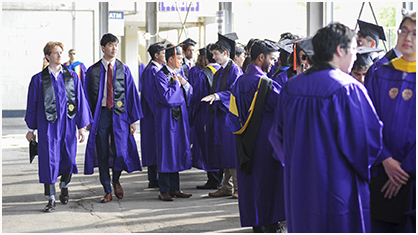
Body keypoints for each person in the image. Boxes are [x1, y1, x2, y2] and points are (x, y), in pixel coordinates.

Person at [269, 22, 383, 232]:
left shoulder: (292, 87)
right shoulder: (348, 88)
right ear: (340, 50)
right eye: (353, 50)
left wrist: (297, 164)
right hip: (338, 186)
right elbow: (366, 143)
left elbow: (276, 136)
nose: (356, 57)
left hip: (300, 185)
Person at [25, 41, 92, 212]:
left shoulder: (71, 76)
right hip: (47, 127)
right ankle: (51, 198)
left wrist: (82, 128)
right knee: (48, 160)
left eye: (61, 52)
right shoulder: (38, 79)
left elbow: (80, 102)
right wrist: (31, 129)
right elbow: (32, 105)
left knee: (69, 159)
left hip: (68, 125)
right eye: (56, 52)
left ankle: (64, 184)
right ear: (48, 56)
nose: (60, 55)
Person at [366, 11, 416, 233]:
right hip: (380, 170)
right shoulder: (380, 73)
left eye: (415, 33)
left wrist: (403, 169)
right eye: (404, 31)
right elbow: (367, 121)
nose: (408, 38)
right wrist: (385, 159)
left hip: (412, 175)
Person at [228, 40, 286, 232]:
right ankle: (270, 224)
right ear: (261, 57)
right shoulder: (266, 85)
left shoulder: (238, 83)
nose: (273, 63)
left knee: (250, 184)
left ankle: (256, 224)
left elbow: (232, 118)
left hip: (244, 144)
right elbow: (285, 110)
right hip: (265, 145)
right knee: (268, 184)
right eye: (272, 59)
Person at [84, 33, 143, 203]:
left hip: (120, 114)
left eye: (116, 45)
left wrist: (132, 120)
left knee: (120, 151)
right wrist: (88, 119)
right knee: (102, 152)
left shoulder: (123, 69)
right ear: (103, 48)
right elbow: (86, 95)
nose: (114, 48)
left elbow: (131, 95)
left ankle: (116, 179)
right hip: (101, 114)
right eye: (110, 45)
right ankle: (107, 189)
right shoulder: (93, 70)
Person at [201, 33, 243, 199]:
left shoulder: (235, 70)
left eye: (216, 54)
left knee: (231, 152)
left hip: (229, 117)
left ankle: (238, 188)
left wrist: (217, 96)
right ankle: (226, 186)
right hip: (219, 117)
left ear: (225, 53)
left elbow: (235, 92)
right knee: (223, 152)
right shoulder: (219, 72)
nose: (213, 57)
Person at [153, 43, 193, 201]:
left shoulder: (179, 73)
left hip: (179, 119)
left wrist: (186, 85)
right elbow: (167, 98)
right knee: (166, 152)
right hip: (166, 120)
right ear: (171, 59)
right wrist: (177, 84)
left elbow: (189, 94)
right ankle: (164, 190)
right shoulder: (160, 75)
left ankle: (176, 188)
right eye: (179, 58)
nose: (182, 61)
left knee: (176, 151)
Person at [189, 45, 223, 190]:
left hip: (204, 114)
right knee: (218, 146)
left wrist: (191, 115)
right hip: (220, 114)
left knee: (208, 147)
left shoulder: (203, 74)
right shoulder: (223, 71)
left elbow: (196, 98)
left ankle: (213, 179)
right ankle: (220, 177)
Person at [140, 41, 167, 188]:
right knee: (153, 145)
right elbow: (151, 96)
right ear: (156, 55)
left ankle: (155, 176)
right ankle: (153, 178)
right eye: (163, 53)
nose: (165, 56)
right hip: (152, 115)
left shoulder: (158, 69)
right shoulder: (151, 71)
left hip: (155, 113)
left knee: (155, 145)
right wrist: (157, 113)